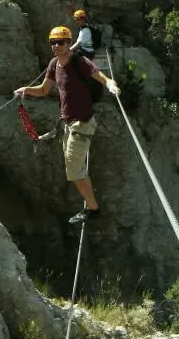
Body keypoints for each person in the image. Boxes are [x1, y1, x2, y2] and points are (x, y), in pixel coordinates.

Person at [13, 26, 121, 224]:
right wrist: (25, 90)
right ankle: (91, 205)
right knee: (75, 169)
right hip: (67, 124)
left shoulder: (80, 61)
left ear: (69, 43)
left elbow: (100, 76)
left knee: (73, 171)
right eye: (53, 42)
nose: (56, 46)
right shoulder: (54, 64)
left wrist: (110, 84)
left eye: (60, 42)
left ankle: (93, 210)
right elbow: (44, 90)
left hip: (82, 123)